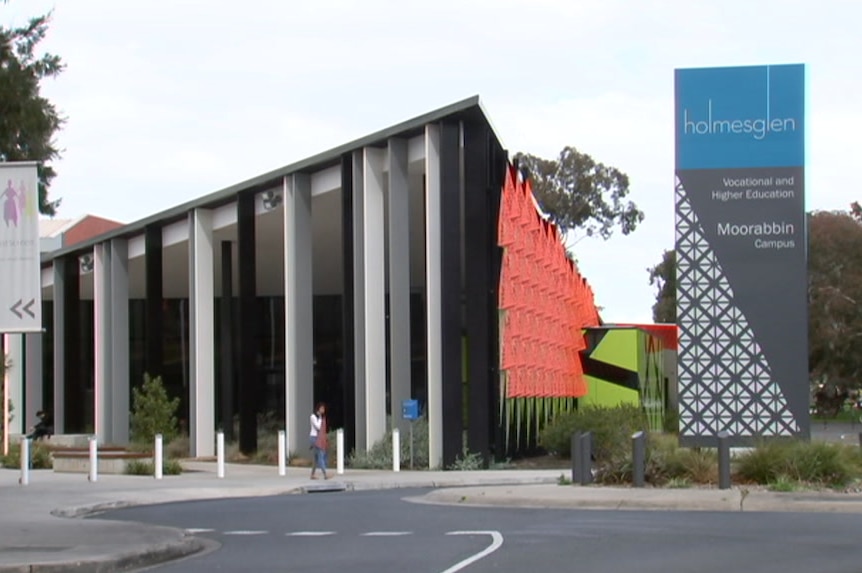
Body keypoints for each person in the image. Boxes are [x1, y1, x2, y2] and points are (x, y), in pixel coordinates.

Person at [309, 402, 330, 480]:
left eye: (323, 409)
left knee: (316, 458)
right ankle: (325, 474)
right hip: (314, 438)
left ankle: (312, 474)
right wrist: (320, 418)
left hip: (320, 438)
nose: (323, 410)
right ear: (318, 409)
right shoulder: (313, 417)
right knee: (320, 455)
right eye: (321, 408)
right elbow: (318, 427)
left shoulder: (321, 417)